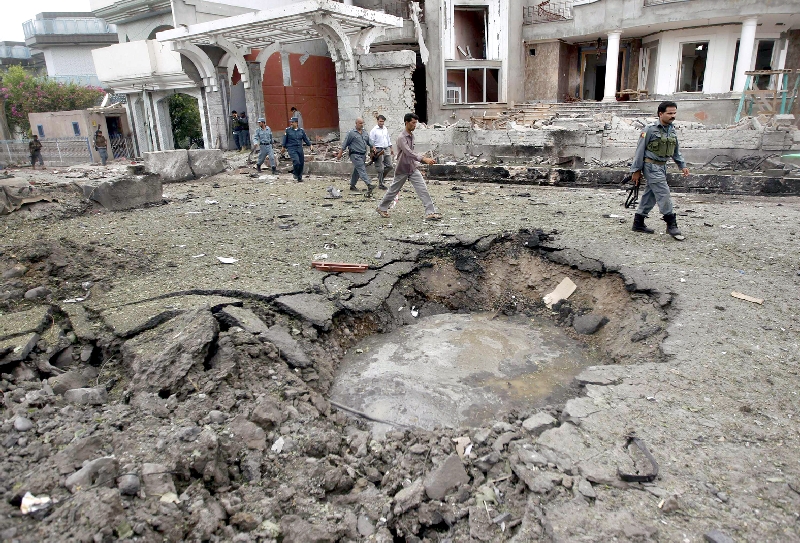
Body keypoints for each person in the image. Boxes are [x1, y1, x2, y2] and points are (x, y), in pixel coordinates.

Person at [629, 101, 690, 240]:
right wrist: (636, 170)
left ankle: (638, 222)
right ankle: (671, 224)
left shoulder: (671, 129)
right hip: (650, 166)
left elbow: (675, 150)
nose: (673, 116)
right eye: (669, 113)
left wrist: (682, 165)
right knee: (664, 193)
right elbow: (639, 150)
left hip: (662, 166)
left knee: (650, 195)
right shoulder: (649, 129)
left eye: (674, 113)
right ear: (660, 114)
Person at [376, 112, 441, 221]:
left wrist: (419, 162)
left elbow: (411, 153)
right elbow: (408, 152)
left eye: (416, 123)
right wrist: (423, 159)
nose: (415, 125)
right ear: (406, 122)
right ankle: (382, 207)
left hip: (412, 168)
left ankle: (430, 212)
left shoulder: (411, 136)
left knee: (422, 189)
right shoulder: (401, 138)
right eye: (413, 123)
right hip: (402, 168)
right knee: (393, 190)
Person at [337, 117, 376, 195]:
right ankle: (369, 184)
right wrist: (340, 153)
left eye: (362, 123)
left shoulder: (364, 132)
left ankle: (352, 185)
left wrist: (373, 147)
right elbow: (345, 143)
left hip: (363, 155)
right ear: (356, 123)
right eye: (360, 123)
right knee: (361, 168)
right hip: (355, 154)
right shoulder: (351, 133)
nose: (362, 125)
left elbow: (369, 141)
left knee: (357, 170)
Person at [280, 116, 312, 182]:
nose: (291, 123)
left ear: (296, 123)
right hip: (291, 148)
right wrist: (283, 147)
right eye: (291, 122)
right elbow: (284, 139)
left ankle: (299, 177)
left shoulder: (301, 131)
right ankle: (295, 173)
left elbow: (305, 139)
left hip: (299, 148)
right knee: (296, 161)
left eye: (292, 122)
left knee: (301, 163)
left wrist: (310, 145)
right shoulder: (288, 130)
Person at [369, 114, 394, 189]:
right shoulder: (374, 130)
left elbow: (388, 138)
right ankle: (381, 184)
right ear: (377, 121)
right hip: (378, 149)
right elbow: (371, 141)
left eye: (383, 121)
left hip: (386, 149)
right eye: (380, 121)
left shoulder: (385, 129)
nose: (381, 123)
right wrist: (372, 151)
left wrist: (391, 148)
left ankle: (381, 178)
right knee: (380, 168)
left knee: (390, 166)